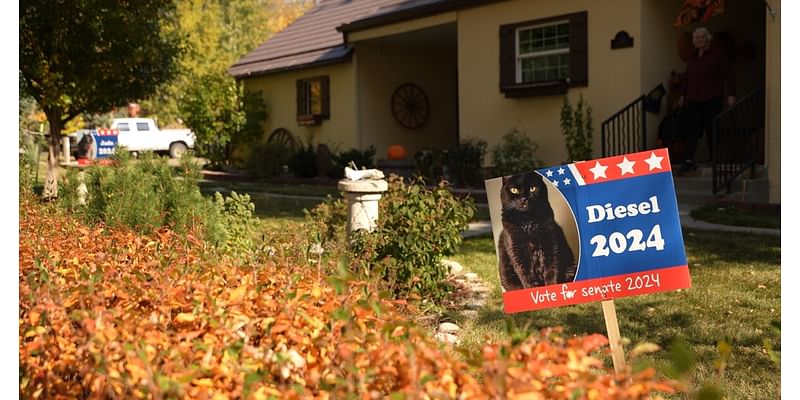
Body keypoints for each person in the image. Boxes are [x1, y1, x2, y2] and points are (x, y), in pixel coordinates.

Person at [677, 27, 736, 173]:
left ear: (708, 39)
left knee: (712, 130)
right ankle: (688, 160)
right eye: (696, 38)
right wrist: (683, 95)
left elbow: (729, 74)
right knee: (692, 131)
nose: (699, 40)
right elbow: (687, 78)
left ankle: (716, 160)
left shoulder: (717, 55)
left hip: (712, 98)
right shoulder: (692, 57)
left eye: (702, 37)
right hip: (693, 99)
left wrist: (731, 94)